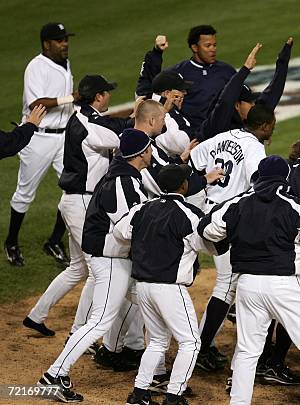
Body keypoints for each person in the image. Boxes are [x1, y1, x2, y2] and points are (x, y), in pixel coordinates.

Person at [199, 155, 300, 405]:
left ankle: (238, 402)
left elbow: (206, 228)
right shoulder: (293, 204)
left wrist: (231, 236)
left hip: (247, 285)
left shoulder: (237, 203)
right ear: (285, 178)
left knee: (247, 350)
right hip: (283, 286)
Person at [37, 129, 153, 403]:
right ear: (139, 154)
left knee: (150, 300)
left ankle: (155, 367)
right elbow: (128, 229)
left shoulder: (127, 178)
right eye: (148, 148)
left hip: (118, 259)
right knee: (100, 321)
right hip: (111, 261)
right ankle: (55, 375)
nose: (151, 152)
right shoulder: (124, 182)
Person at [23, 75, 135, 339]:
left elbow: (111, 126)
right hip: (82, 202)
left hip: (77, 201)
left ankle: (36, 316)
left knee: (78, 268)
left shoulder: (85, 117)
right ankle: (81, 330)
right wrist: (138, 118)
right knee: (97, 268)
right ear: (98, 96)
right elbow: (119, 137)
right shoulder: (86, 123)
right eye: (106, 92)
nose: (109, 96)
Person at [116, 164, 223, 405]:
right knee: (191, 342)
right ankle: (174, 396)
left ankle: (139, 393)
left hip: (143, 286)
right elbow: (209, 246)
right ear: (183, 186)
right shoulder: (189, 213)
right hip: (169, 288)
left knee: (157, 341)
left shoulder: (143, 208)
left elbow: (120, 232)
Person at [189, 105, 275, 371]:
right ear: (263, 126)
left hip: (208, 211)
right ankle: (200, 349)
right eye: (272, 125)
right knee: (227, 285)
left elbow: (192, 160)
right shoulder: (254, 148)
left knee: (229, 284)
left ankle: (205, 344)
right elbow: (259, 182)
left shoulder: (221, 137)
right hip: (227, 221)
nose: (273, 129)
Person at [5, 22, 80, 267]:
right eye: (59, 40)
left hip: (63, 138)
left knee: (73, 187)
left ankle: (54, 241)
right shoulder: (36, 67)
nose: (65, 44)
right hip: (37, 137)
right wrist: (72, 98)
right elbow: (37, 102)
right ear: (47, 44)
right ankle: (11, 242)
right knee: (25, 193)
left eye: (66, 39)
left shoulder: (64, 63)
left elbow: (67, 104)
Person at [136, 26, 236, 127]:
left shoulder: (226, 70)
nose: (213, 49)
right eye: (208, 45)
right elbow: (150, 87)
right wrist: (157, 53)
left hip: (225, 130)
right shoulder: (178, 73)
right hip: (194, 135)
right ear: (195, 47)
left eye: (214, 45)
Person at [198, 38, 292, 141]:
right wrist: (245, 68)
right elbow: (226, 100)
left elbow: (273, 93)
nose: (253, 105)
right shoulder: (217, 123)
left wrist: (283, 60)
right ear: (237, 105)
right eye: (249, 102)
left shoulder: (253, 120)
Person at [148, 70, 196, 156]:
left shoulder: (148, 103)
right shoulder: (167, 115)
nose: (185, 93)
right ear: (167, 93)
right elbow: (185, 144)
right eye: (181, 90)